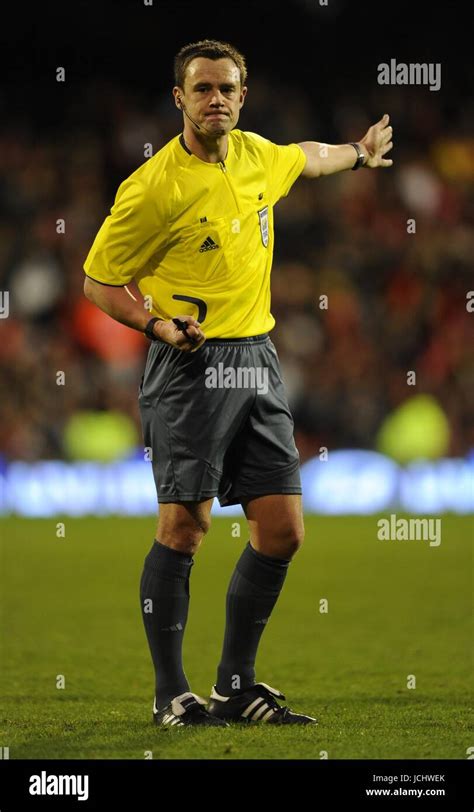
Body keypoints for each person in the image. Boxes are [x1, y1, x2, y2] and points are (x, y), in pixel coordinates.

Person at [83, 39, 393, 728]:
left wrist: (359, 152)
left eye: (226, 88)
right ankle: (171, 695)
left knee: (282, 530)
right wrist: (154, 325)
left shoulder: (258, 155)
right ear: (180, 99)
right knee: (184, 528)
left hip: (256, 357)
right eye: (202, 89)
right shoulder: (153, 187)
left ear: (243, 96)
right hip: (189, 366)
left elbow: (308, 158)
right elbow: (98, 281)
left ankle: (236, 686)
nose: (215, 98)